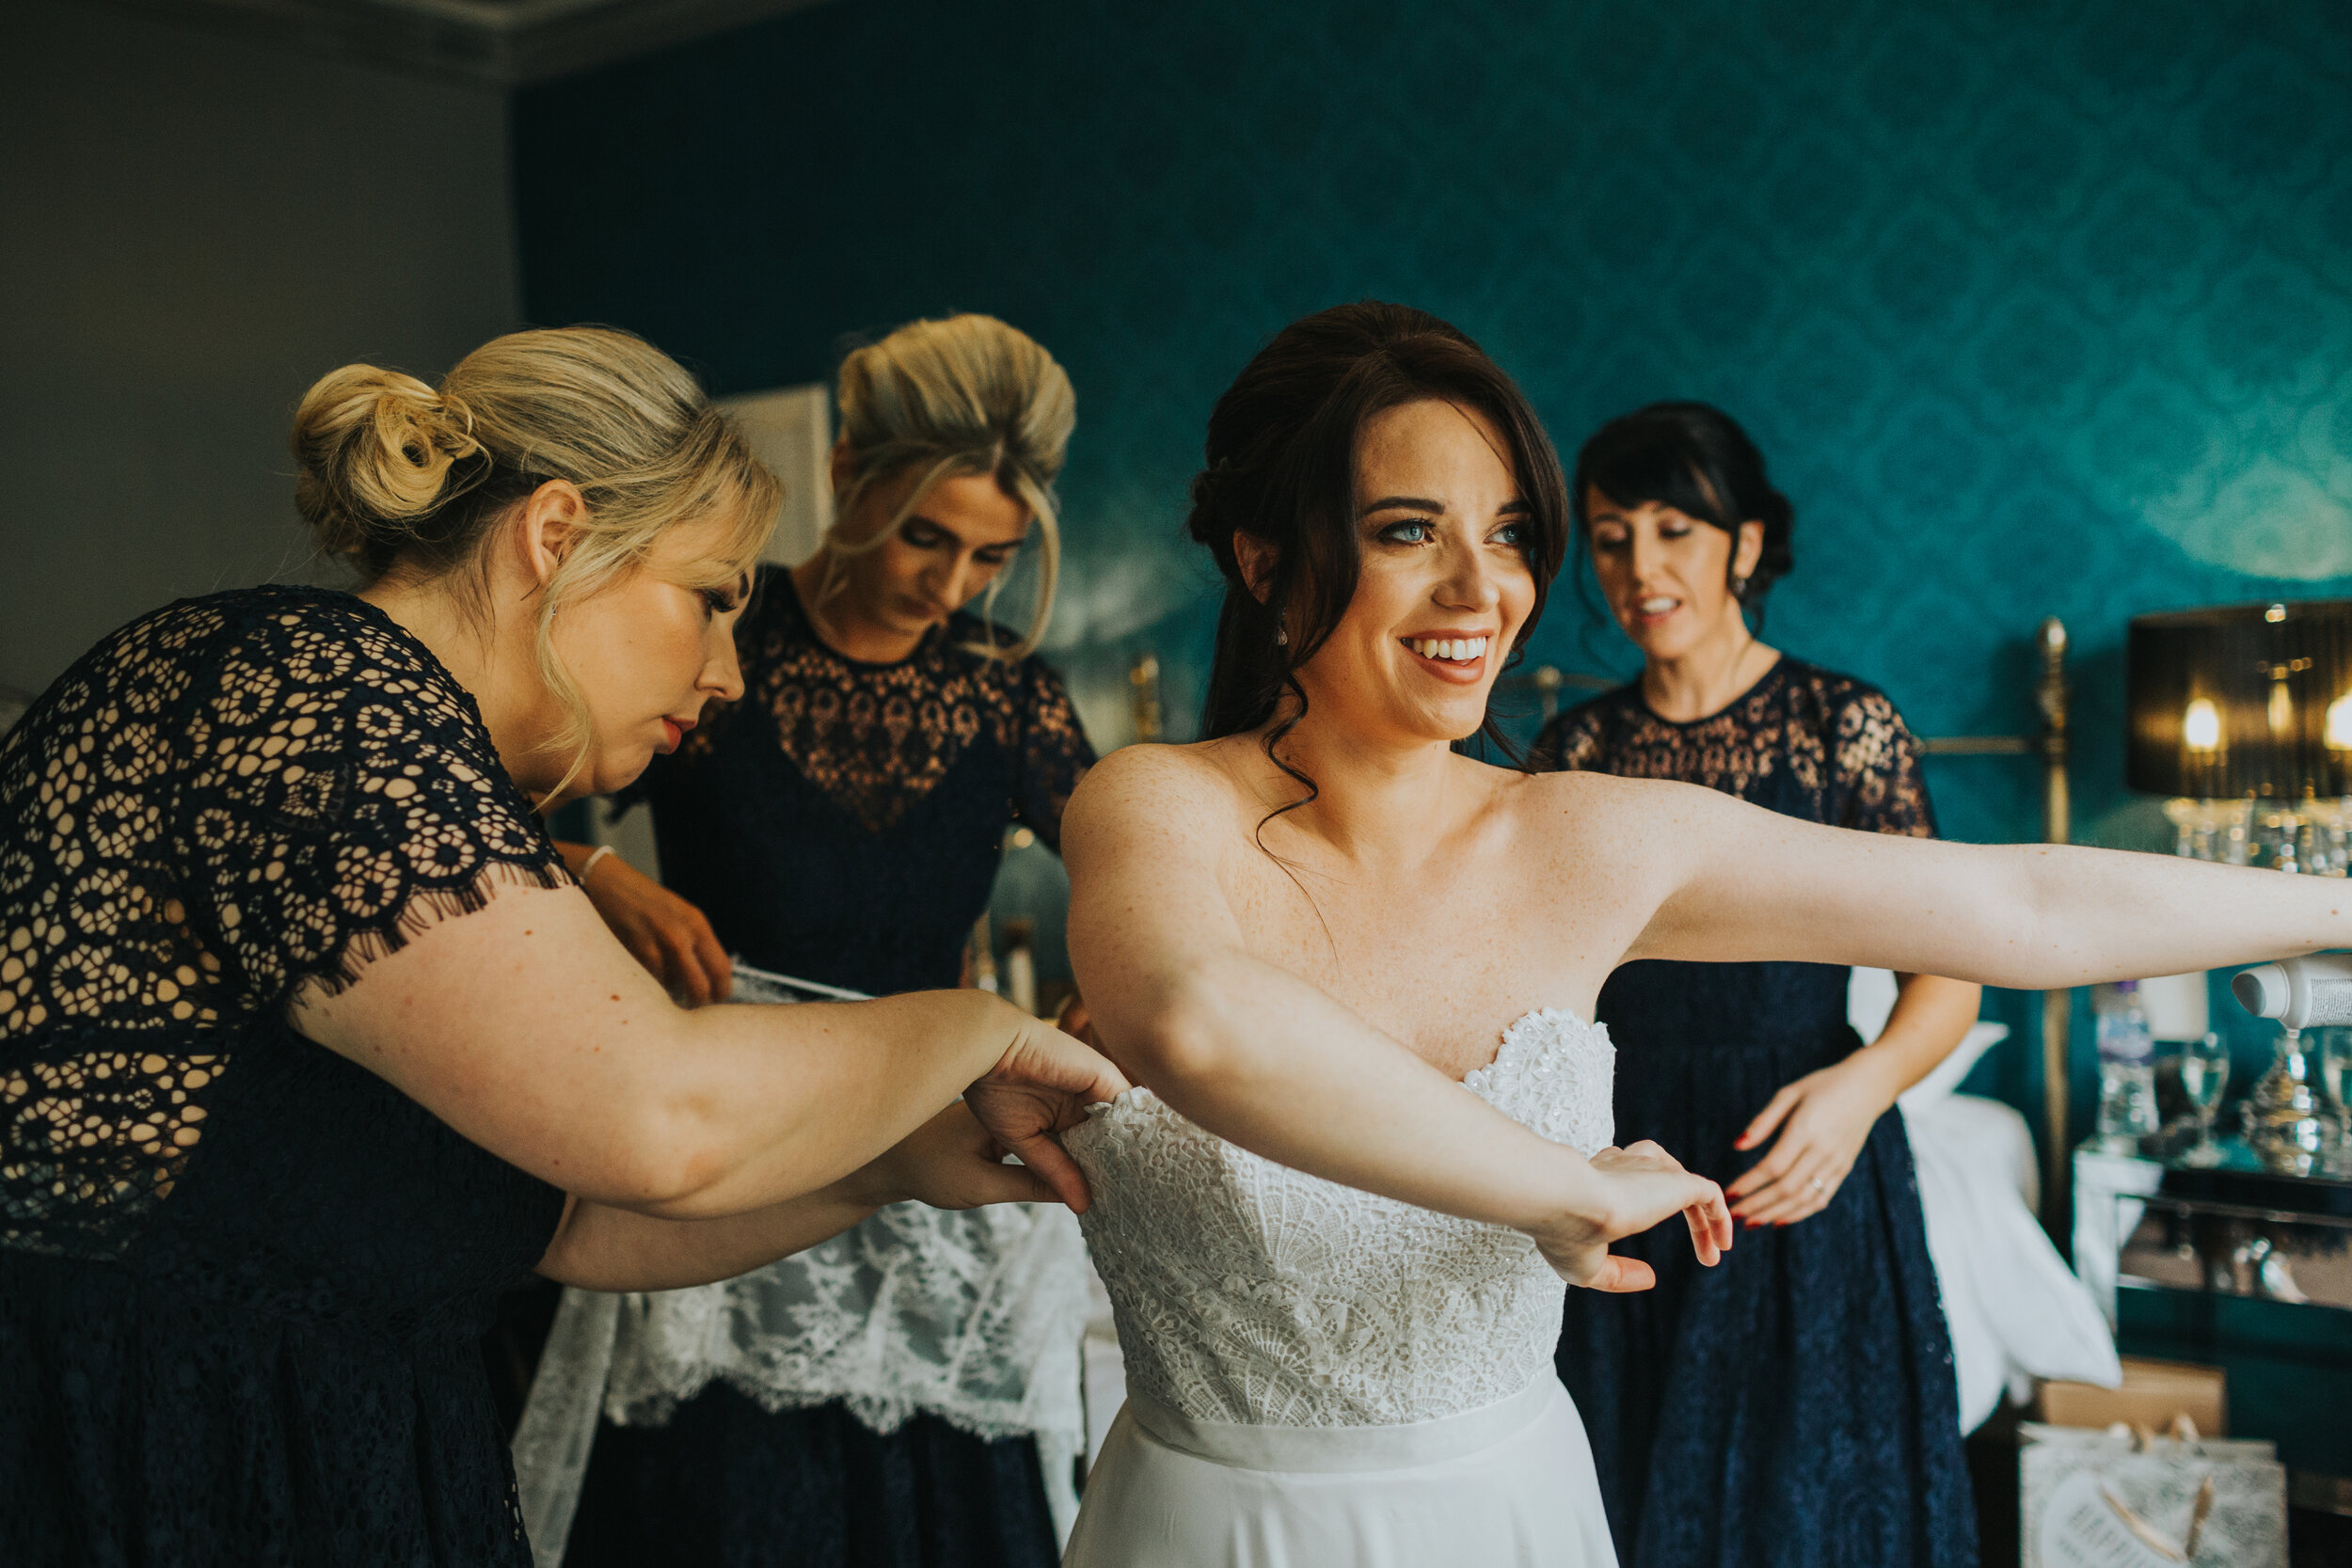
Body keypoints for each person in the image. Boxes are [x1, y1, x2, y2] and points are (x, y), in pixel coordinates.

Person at [1053, 301, 2352, 1568]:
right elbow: (1198, 1021)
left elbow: (2026, 903)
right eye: (1407, 530)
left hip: (1508, 1510)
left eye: (1510, 534)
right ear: (1261, 555)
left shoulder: (1590, 832)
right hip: (1209, 1521)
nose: (1483, 587)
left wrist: (2341, 905)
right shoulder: (1154, 805)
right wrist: (1567, 1186)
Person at [0, 325, 1122, 1568]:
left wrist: (899, 1162)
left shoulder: (413, 747)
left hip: (309, 1438)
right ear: (556, 534)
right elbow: (657, 1117)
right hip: (166, 1462)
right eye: (708, 599)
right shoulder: (317, 702)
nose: (728, 674)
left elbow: (567, 1220)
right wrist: (972, 1024)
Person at [537, 314, 1096, 1568]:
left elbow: (1136, 894)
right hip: (730, 1155)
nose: (950, 586)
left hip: (933, 1161)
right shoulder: (721, 632)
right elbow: (489, 801)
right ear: (849, 476)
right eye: (925, 536)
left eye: (989, 558)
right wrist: (599, 872)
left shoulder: (1008, 689)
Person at [1534, 402, 1981, 1567]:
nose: (1639, 566)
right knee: (1628, 1488)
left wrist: (1858, 1090)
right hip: (1623, 1155)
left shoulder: (1847, 730)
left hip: (1799, 1149)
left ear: (1742, 544)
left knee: (1812, 1496)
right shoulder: (1574, 754)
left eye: (1675, 529)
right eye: (1612, 534)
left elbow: (1951, 978)